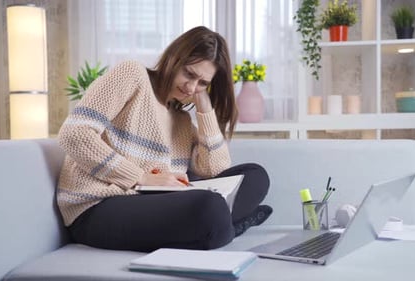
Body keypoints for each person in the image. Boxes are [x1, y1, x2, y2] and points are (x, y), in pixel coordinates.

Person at [56, 26, 272, 252]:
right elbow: (74, 134)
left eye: (202, 83)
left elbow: (215, 169)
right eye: (189, 73)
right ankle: (228, 228)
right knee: (210, 208)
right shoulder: (132, 75)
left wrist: (204, 108)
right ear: (174, 58)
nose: (191, 87)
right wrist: (139, 177)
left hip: (152, 202)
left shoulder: (181, 119)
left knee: (255, 176)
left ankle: (219, 229)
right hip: (97, 207)